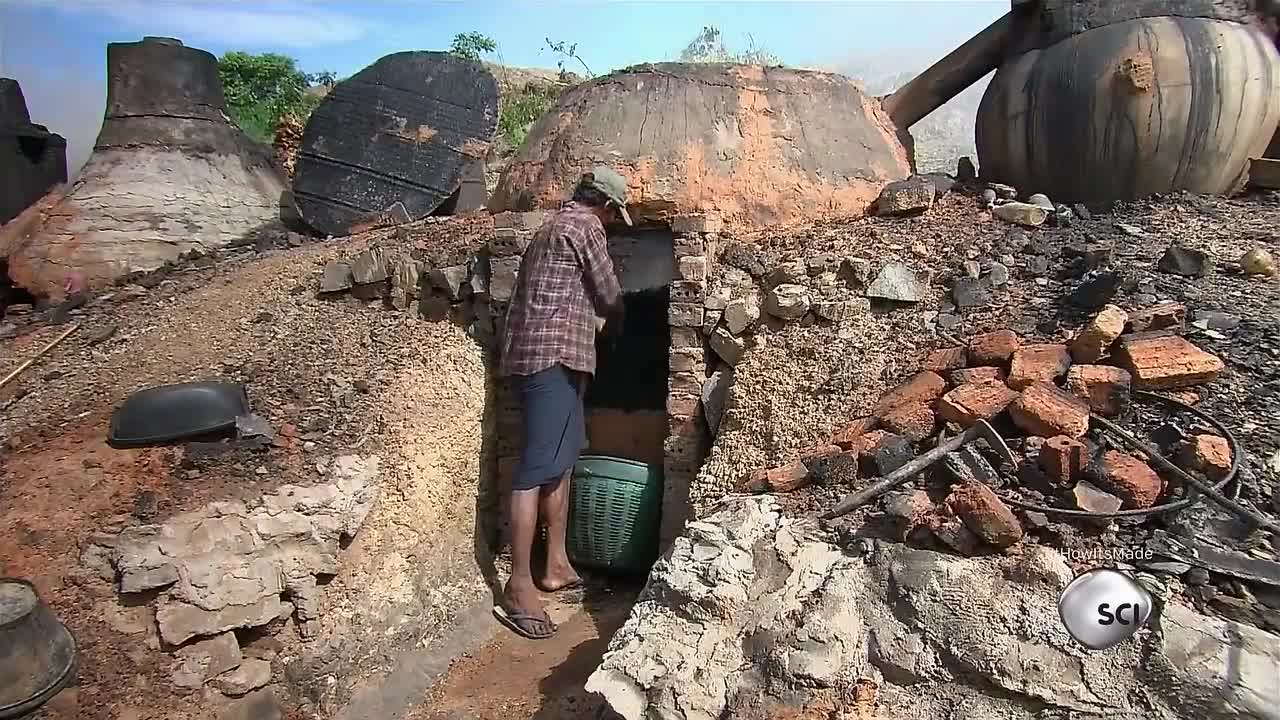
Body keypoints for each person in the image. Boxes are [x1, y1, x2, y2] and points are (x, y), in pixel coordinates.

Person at [493, 166, 630, 639]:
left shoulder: (552, 228)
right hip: (548, 359)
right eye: (615, 216)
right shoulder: (584, 225)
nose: (611, 224)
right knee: (534, 470)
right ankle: (519, 583)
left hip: (556, 359)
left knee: (562, 460)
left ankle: (556, 564)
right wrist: (619, 322)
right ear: (606, 206)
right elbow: (609, 291)